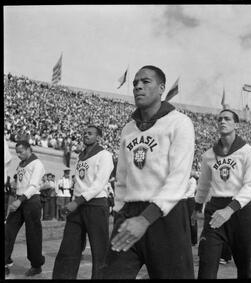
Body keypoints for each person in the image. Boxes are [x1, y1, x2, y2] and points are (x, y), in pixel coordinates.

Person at [101, 65, 195, 279]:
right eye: (135, 83)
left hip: (165, 215)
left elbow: (179, 178)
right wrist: (119, 212)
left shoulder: (180, 123)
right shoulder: (128, 129)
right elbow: (122, 177)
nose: (138, 87)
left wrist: (146, 219)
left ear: (161, 88)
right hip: (131, 213)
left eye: (145, 81)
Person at [192, 109, 251, 279]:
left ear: (236, 124)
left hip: (240, 212)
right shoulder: (208, 155)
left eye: (227, 119)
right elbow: (203, 184)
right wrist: (196, 207)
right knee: (206, 266)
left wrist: (230, 210)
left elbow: (250, 187)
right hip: (215, 209)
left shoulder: (249, 152)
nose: (222, 121)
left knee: (248, 270)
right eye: (220, 119)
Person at [52, 125, 114, 279]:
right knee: (69, 246)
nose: (86, 135)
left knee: (100, 249)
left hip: (96, 205)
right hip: (78, 205)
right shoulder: (80, 155)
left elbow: (99, 184)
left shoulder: (105, 155)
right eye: (84, 133)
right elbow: (79, 183)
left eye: (90, 133)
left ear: (98, 137)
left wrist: (76, 201)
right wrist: (74, 201)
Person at [5, 140, 45, 277]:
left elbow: (33, 186)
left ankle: (36, 265)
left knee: (33, 235)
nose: (18, 155)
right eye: (17, 153)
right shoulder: (21, 164)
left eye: (21, 152)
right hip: (19, 200)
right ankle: (5, 261)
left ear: (29, 149)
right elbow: (20, 182)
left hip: (31, 201)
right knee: (7, 231)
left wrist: (20, 200)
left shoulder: (37, 164)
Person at [186, 171, 199, 246]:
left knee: (192, 221)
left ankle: (194, 241)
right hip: (184, 200)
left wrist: (182, 195)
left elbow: (191, 191)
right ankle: (188, 239)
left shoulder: (193, 180)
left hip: (190, 201)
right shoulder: (184, 180)